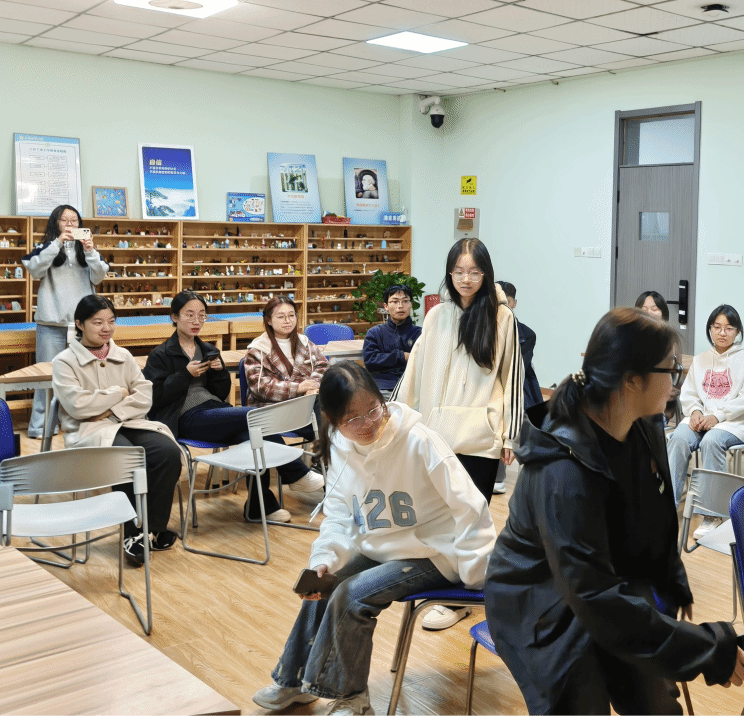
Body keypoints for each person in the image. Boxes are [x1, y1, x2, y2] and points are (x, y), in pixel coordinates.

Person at [485, 307, 744, 716]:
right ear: (631, 380)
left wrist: (673, 611)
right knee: (583, 702)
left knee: (656, 704)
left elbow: (649, 529)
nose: (675, 383)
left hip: (603, 584)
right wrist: (705, 647)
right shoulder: (562, 470)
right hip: (540, 601)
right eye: (671, 370)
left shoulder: (642, 427)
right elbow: (591, 596)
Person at [251, 363, 496, 716]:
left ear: (383, 401)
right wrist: (326, 558)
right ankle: (294, 681)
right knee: (323, 585)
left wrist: (476, 570)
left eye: (373, 410)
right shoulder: (339, 447)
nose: (366, 424)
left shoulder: (419, 440)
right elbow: (339, 513)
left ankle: (352, 699)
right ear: (332, 420)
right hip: (380, 548)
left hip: (434, 552)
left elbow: (471, 506)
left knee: (352, 595)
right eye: (352, 419)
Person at [397, 237, 522, 631]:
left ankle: (461, 597)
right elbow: (414, 372)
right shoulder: (437, 316)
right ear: (450, 273)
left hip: (479, 435)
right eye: (459, 271)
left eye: (474, 272)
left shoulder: (502, 319)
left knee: (471, 518)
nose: (466, 279)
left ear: (486, 273)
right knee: (440, 518)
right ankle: (449, 584)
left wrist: (510, 435)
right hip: (437, 434)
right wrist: (398, 419)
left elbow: (513, 378)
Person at [144, 290, 322, 525]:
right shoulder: (160, 354)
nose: (196, 321)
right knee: (257, 416)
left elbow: (220, 393)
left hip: (214, 412)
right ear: (174, 317)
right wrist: (184, 375)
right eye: (189, 315)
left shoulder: (208, 349)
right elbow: (154, 398)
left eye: (201, 315)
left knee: (254, 434)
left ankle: (259, 507)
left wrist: (219, 373)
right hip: (184, 418)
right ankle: (296, 472)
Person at [50, 295, 182, 566]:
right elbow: (78, 406)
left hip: (128, 422)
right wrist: (119, 393)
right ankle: (133, 534)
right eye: (97, 322)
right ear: (79, 324)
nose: (106, 328)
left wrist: (109, 410)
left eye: (111, 321)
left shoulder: (123, 355)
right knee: (126, 457)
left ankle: (152, 529)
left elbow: (144, 395)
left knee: (167, 452)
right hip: (88, 430)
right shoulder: (64, 361)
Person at [665, 304, 744, 535]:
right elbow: (689, 393)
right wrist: (695, 412)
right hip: (701, 420)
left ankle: (712, 514)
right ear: (710, 329)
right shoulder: (701, 359)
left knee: (711, 441)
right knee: (678, 438)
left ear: (737, 331)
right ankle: (666, 506)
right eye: (717, 327)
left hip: (735, 422)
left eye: (729, 328)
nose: (722, 332)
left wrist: (717, 416)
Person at [21, 205, 109, 440]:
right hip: (51, 323)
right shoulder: (46, 247)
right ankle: (41, 427)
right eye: (64, 220)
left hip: (82, 326)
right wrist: (58, 242)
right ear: (56, 223)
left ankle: (81, 423)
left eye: (74, 220)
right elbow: (34, 269)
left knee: (84, 376)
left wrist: (90, 250)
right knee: (46, 377)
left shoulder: (87, 251)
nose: (70, 224)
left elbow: (99, 276)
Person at [493, 280, 543, 495]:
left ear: (514, 304)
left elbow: (517, 366)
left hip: (519, 384)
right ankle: (496, 475)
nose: (501, 306)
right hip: (491, 384)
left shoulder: (527, 334)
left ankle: (533, 472)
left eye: (506, 302)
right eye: (497, 301)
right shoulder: (482, 329)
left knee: (523, 413)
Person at [243, 297, 328, 405]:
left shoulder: (305, 343)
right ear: (269, 321)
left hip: (307, 402)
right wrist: (297, 388)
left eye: (291, 315)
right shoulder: (258, 350)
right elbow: (259, 387)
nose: (288, 321)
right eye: (281, 317)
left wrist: (312, 386)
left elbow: (323, 366)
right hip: (271, 407)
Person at [361, 284, 420, 395]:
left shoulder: (420, 334)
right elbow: (370, 361)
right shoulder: (375, 333)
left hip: (413, 386)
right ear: (386, 306)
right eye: (395, 301)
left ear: (411, 304)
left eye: (405, 301)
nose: (400, 306)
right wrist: (402, 356)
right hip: (382, 387)